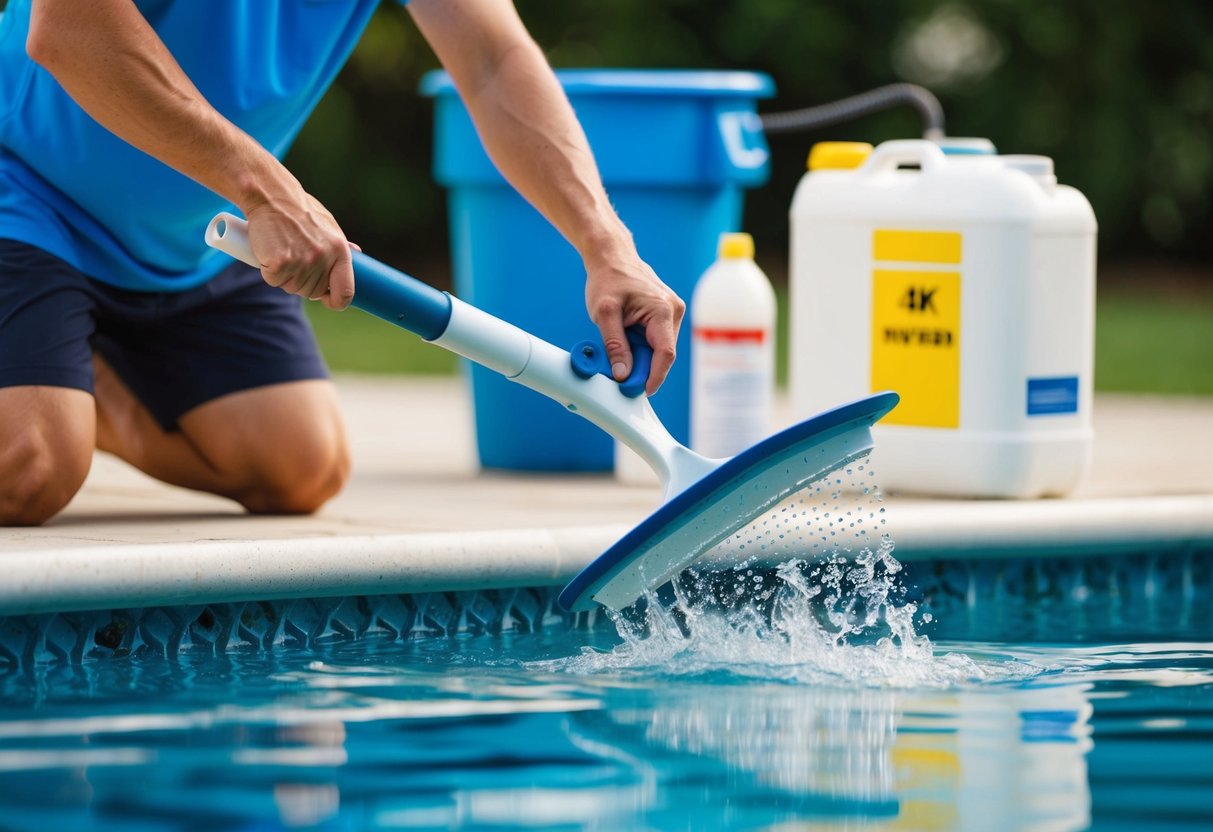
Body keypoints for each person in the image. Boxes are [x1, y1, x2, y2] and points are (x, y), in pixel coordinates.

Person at [0, 0, 685, 526]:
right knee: (31, 464)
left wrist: (607, 247)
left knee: (300, 467)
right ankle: (50, 406)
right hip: (25, 187)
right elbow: (69, 31)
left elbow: (492, 59)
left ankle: (77, 384)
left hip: (198, 232)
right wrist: (268, 192)